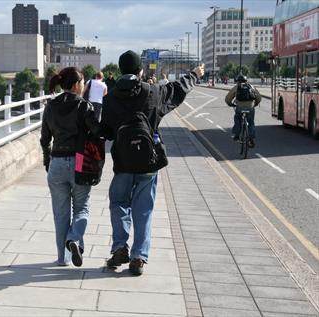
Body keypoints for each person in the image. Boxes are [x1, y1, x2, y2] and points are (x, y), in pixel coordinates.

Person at [101, 50, 204, 276]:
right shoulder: (153, 92)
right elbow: (177, 90)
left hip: (123, 163)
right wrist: (194, 74)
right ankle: (139, 256)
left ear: (120, 70)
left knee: (118, 202)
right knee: (144, 209)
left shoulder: (109, 99)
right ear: (140, 71)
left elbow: (106, 133)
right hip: (149, 162)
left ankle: (119, 247)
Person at [40, 67, 103, 267]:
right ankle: (74, 239)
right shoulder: (84, 106)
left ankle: (63, 258)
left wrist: (48, 161)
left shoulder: (50, 106)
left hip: (57, 162)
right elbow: (97, 131)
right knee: (81, 208)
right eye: (83, 82)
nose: (84, 86)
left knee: (60, 215)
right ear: (76, 85)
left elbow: (44, 139)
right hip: (79, 161)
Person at [225, 74, 262, 148]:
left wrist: (230, 104)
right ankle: (251, 138)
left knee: (237, 119)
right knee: (251, 122)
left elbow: (228, 98)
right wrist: (256, 104)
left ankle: (237, 135)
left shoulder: (236, 87)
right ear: (246, 80)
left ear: (238, 81)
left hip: (240, 108)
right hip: (250, 108)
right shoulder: (251, 87)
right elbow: (259, 97)